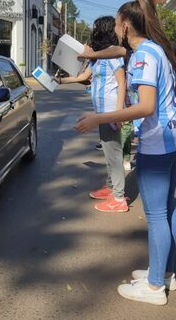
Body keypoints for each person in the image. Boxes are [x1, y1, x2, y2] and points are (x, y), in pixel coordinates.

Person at [76, 0, 176, 306]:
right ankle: (164, 273)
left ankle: (154, 288)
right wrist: (90, 53)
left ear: (126, 25)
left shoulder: (144, 56)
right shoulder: (155, 48)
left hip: (158, 144)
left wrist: (100, 117)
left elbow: (146, 106)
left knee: (156, 216)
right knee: (168, 209)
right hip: (174, 138)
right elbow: (112, 51)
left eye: (116, 22)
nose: (114, 27)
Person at [57, 16, 129, 213]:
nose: (93, 30)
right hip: (101, 112)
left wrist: (118, 114)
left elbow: (122, 83)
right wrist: (60, 82)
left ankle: (119, 198)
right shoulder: (98, 58)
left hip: (110, 112)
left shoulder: (114, 57)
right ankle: (111, 187)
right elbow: (83, 77)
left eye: (96, 27)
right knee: (108, 152)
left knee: (113, 154)